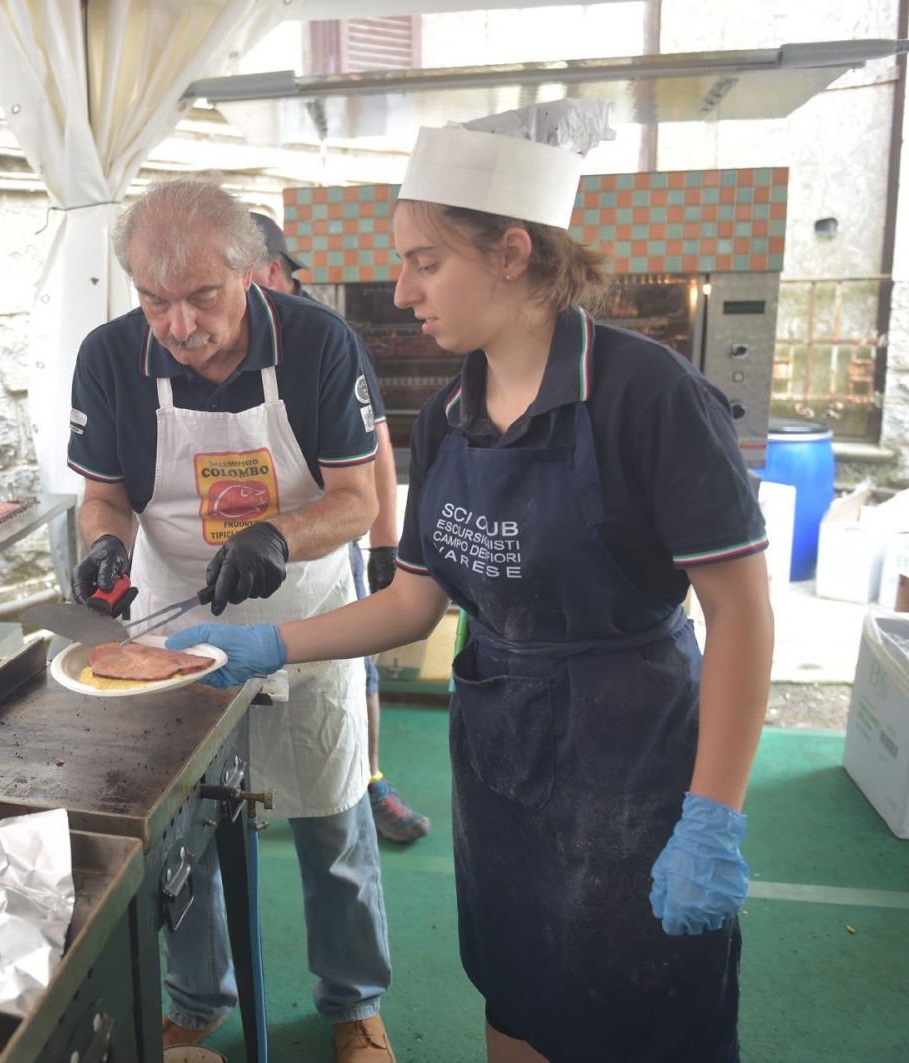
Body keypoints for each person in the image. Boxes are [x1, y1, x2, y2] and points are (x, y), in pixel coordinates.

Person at [169, 101, 774, 1063]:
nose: (402, 291)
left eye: (424, 260)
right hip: (500, 767)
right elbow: (417, 600)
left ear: (513, 253)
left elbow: (740, 614)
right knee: (519, 994)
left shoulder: (651, 396)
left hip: (634, 762)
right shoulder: (448, 418)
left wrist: (715, 812)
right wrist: (271, 643)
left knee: (646, 1009)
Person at [68, 175, 398, 1063]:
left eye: (201, 298)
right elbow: (103, 496)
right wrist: (102, 543)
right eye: (154, 300)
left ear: (251, 271)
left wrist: (278, 536)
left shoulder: (320, 346)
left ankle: (353, 1002)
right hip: (177, 611)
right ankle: (195, 992)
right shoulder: (108, 356)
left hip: (305, 602)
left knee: (331, 808)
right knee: (187, 820)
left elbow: (358, 498)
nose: (177, 325)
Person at [249, 211, 431, 844]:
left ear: (266, 271)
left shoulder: (324, 339)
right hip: (235, 546)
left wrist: (385, 546)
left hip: (326, 537)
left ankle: (371, 780)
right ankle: (256, 789)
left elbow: (376, 440)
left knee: (350, 669)